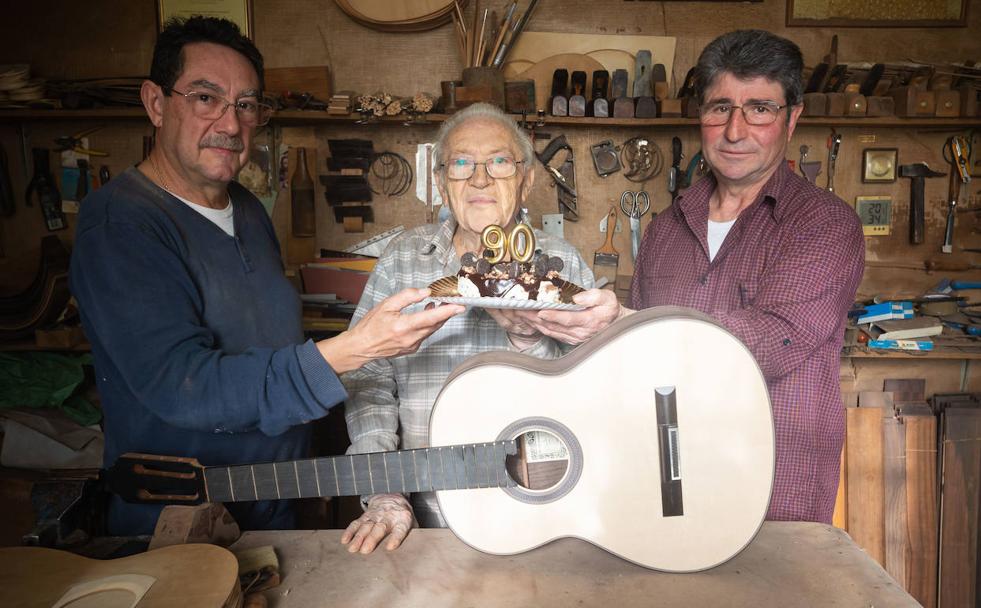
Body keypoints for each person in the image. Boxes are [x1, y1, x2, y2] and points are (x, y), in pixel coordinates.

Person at [68, 16, 463, 536]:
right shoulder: (121, 226)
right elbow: (185, 388)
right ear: (156, 103)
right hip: (181, 521)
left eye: (247, 105)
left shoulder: (248, 210)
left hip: (276, 503)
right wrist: (353, 349)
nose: (231, 126)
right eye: (206, 98)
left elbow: (268, 341)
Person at [517, 30, 865, 524]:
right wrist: (547, 331)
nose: (735, 131)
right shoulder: (666, 227)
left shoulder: (823, 225)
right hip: (665, 484)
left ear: (792, 119)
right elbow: (629, 361)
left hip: (771, 491)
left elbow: (774, 338)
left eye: (759, 109)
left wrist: (630, 319)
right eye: (720, 107)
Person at [340, 103, 596, 554]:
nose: (480, 179)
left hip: (543, 513)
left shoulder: (564, 266)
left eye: (498, 161)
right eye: (461, 163)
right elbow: (369, 380)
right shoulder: (401, 261)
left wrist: (529, 337)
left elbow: (593, 397)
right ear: (441, 183)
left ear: (527, 179)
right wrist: (383, 490)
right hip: (424, 520)